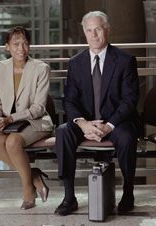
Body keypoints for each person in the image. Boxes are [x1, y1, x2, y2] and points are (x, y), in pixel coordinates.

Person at [54, 11, 140, 216]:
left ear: (107, 30)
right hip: (86, 122)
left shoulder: (125, 60)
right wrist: (83, 124)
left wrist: (108, 125)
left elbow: (130, 100)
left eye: (98, 29)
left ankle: (128, 193)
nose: (94, 34)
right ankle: (69, 197)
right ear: (84, 32)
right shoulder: (76, 62)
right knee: (63, 132)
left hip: (116, 122)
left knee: (128, 137)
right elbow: (70, 100)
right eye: (89, 30)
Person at [0, 26, 54, 210]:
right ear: (7, 46)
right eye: (16, 44)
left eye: (25, 43)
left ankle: (28, 191)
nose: (21, 48)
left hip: (35, 121)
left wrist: (9, 119)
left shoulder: (41, 69)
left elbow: (39, 108)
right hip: (10, 123)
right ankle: (33, 175)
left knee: (13, 142)